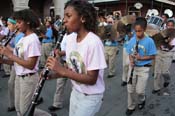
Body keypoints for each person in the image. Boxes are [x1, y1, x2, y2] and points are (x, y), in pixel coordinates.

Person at [46, 1, 107, 116]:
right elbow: (71, 69)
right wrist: (52, 75)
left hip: (90, 97)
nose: (64, 20)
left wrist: (61, 70)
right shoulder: (70, 39)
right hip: (76, 92)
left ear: (83, 18)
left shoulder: (93, 42)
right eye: (64, 16)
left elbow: (91, 80)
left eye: (68, 16)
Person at [0, 9, 55, 116]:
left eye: (19, 22)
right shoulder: (22, 39)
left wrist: (9, 54)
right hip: (19, 78)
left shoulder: (32, 39)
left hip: (28, 79)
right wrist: (4, 60)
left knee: (25, 110)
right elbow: (17, 62)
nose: (17, 26)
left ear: (28, 22)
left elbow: (30, 65)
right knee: (19, 109)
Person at [126, 17, 157, 116]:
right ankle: (131, 106)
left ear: (145, 29)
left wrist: (141, 58)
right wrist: (131, 61)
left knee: (140, 91)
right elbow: (130, 53)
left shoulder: (149, 41)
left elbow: (152, 56)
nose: (138, 34)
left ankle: (142, 99)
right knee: (130, 90)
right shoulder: (132, 40)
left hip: (144, 68)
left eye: (140, 31)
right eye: (136, 31)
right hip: (133, 67)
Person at [152, 19, 175, 96]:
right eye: (169, 25)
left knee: (164, 71)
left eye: (172, 25)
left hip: (168, 54)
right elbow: (156, 42)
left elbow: (170, 47)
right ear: (166, 25)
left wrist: (167, 41)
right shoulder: (162, 32)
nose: (170, 27)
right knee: (157, 72)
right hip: (159, 52)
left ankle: (167, 79)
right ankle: (156, 88)